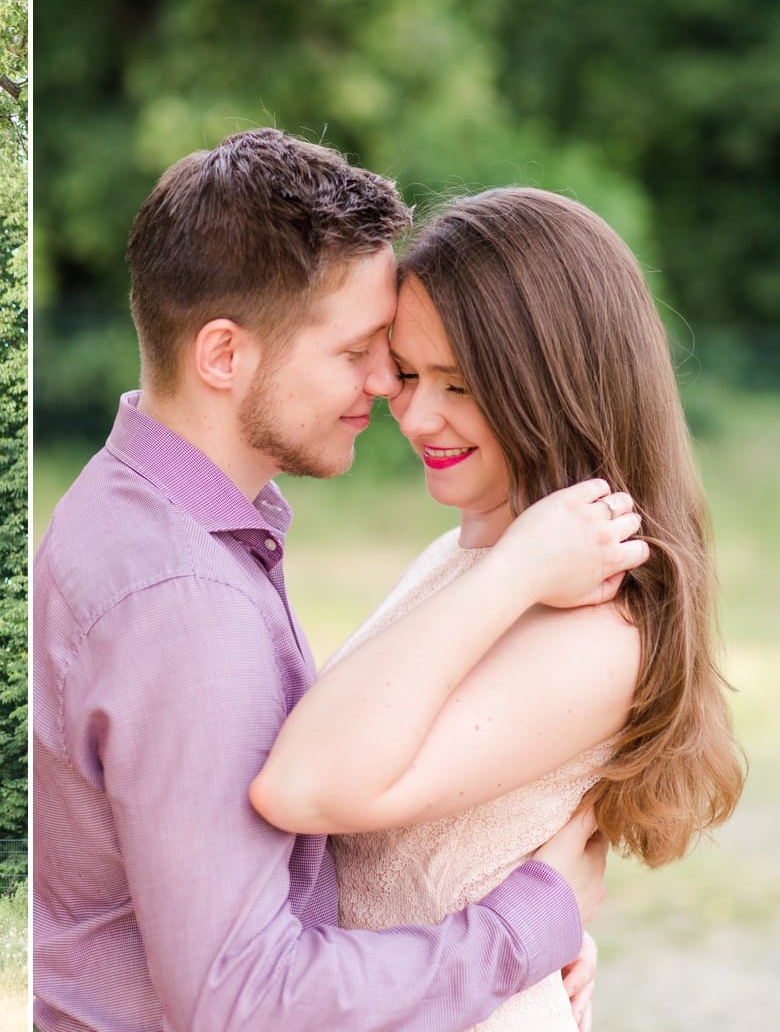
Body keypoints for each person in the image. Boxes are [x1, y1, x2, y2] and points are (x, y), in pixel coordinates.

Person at [32, 128, 649, 1032]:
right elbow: (247, 995)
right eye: (360, 352)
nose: (387, 388)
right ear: (223, 356)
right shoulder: (179, 600)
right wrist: (525, 926)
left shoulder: (144, 513)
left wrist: (510, 961)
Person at [249, 187, 746, 1030]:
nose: (414, 413)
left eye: (462, 383)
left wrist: (513, 571)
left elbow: (303, 787)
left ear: (555, 388)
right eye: (408, 372)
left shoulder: (595, 627)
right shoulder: (470, 558)